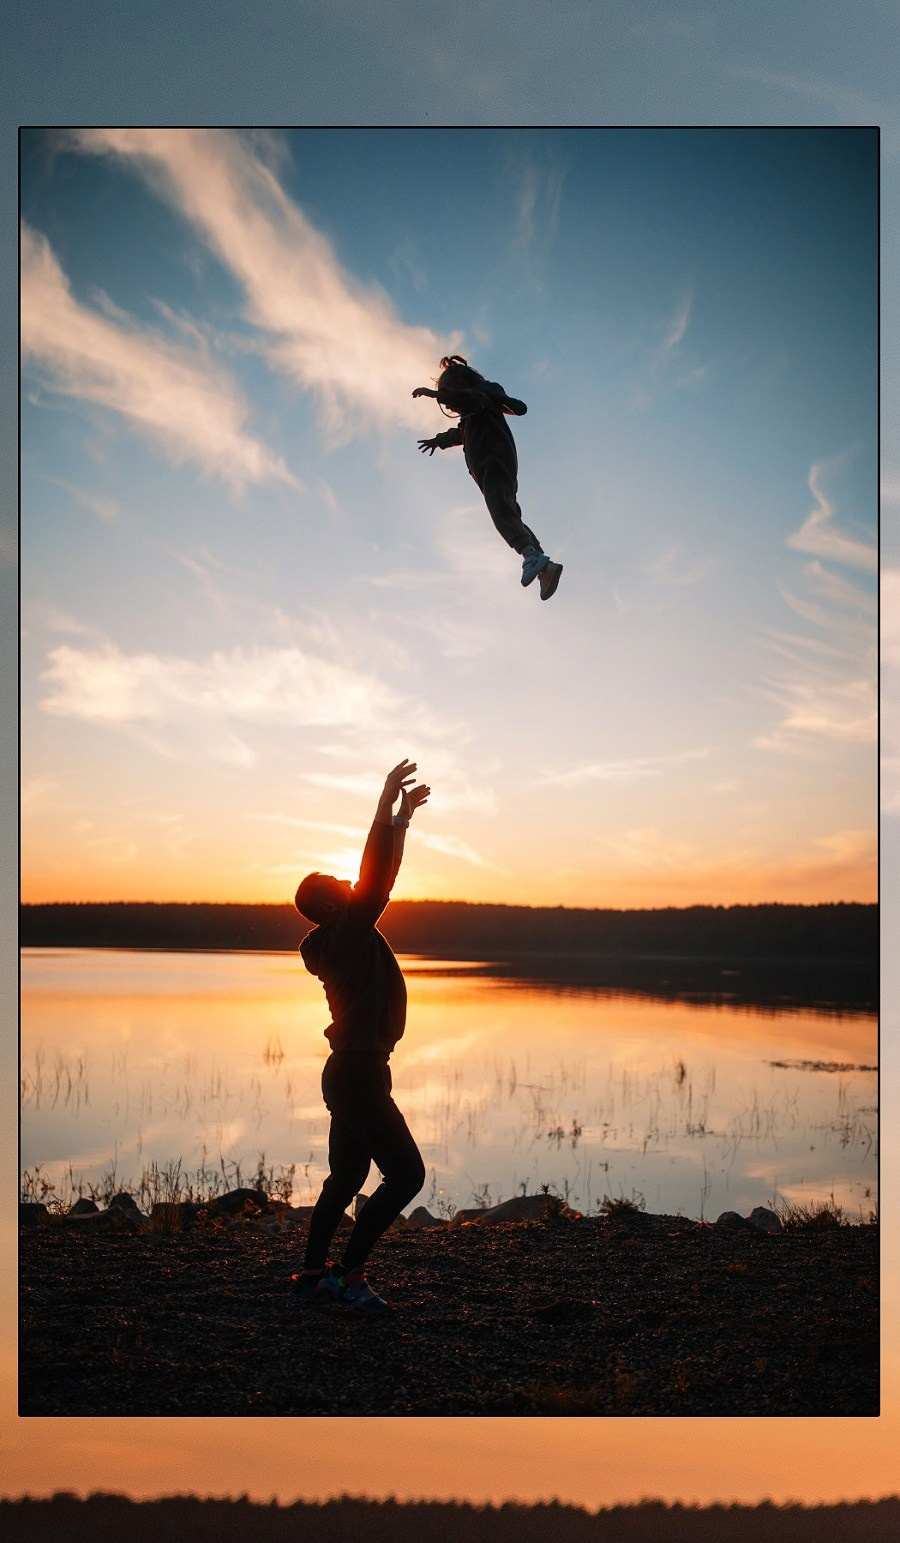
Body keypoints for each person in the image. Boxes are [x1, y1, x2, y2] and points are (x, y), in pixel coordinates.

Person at [290, 759, 429, 1314]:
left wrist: (400, 823)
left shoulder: (338, 939)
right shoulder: (346, 936)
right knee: (407, 1176)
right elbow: (376, 878)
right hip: (358, 1074)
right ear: (329, 906)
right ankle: (350, 1274)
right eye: (338, 886)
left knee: (346, 1176)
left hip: (351, 1072)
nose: (350, 886)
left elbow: (371, 880)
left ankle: (311, 1274)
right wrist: (386, 811)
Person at [413, 354, 562, 600]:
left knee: (499, 510)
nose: (449, 407)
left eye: (449, 397)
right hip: (491, 465)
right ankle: (544, 565)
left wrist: (436, 394)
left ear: (460, 387)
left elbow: (472, 399)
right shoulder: (473, 416)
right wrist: (438, 441)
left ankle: (530, 555)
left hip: (493, 460)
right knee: (509, 511)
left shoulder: (481, 398)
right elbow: (460, 433)